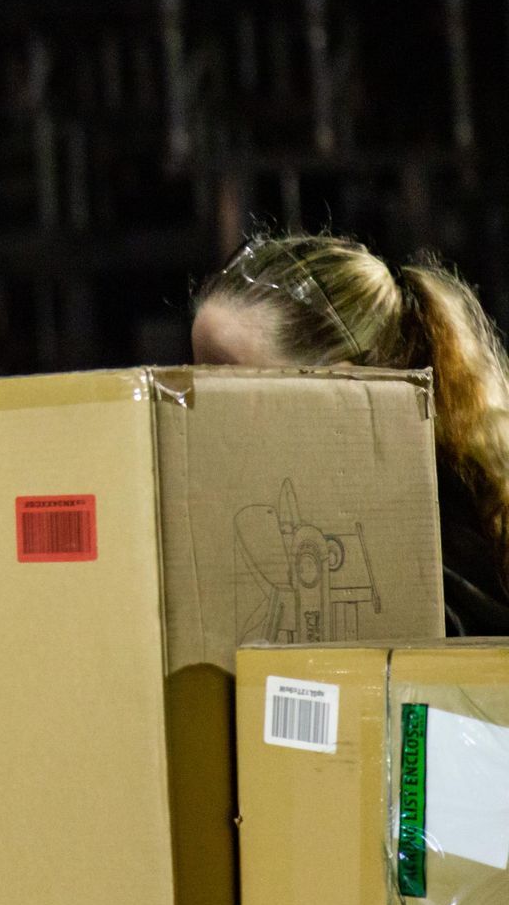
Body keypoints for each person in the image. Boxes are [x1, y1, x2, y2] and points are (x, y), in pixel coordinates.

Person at [193, 232, 509, 636]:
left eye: (228, 386)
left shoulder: (436, 578)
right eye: (196, 379)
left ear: (342, 393)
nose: (198, 411)